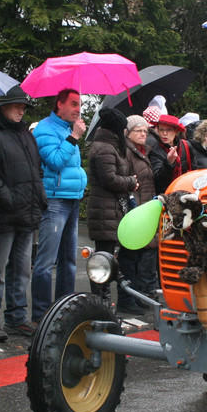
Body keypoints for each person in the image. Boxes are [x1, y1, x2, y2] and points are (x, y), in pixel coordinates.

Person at [0, 86, 46, 341]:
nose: (21, 110)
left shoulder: (25, 135)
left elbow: (36, 169)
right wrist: (10, 200)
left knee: (21, 269)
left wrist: (38, 198)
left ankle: (17, 318)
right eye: (17, 105)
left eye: (24, 106)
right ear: (2, 107)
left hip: (25, 212)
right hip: (3, 214)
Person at [31, 88, 87, 323]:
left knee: (69, 261)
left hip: (72, 199)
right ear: (59, 104)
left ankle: (64, 310)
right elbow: (55, 162)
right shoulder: (45, 129)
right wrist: (74, 137)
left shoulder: (66, 129)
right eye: (73, 104)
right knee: (46, 261)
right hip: (55, 200)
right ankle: (42, 314)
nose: (78, 109)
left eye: (79, 104)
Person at [86, 107, 135, 302]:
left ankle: (103, 302)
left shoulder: (108, 146)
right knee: (103, 260)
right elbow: (110, 179)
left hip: (109, 209)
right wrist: (131, 182)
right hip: (104, 210)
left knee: (106, 257)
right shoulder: (105, 148)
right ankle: (100, 302)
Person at [118, 115, 157, 315]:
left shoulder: (142, 152)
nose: (143, 134)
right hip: (134, 210)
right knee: (129, 257)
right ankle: (126, 299)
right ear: (128, 133)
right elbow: (130, 181)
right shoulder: (127, 152)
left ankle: (135, 296)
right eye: (139, 130)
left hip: (144, 209)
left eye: (145, 131)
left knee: (138, 256)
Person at [147, 113, 194, 194]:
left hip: (185, 192)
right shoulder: (154, 150)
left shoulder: (186, 145)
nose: (164, 134)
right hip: (166, 195)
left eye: (169, 130)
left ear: (176, 131)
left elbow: (194, 171)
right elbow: (158, 180)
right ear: (157, 130)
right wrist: (169, 162)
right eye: (161, 130)